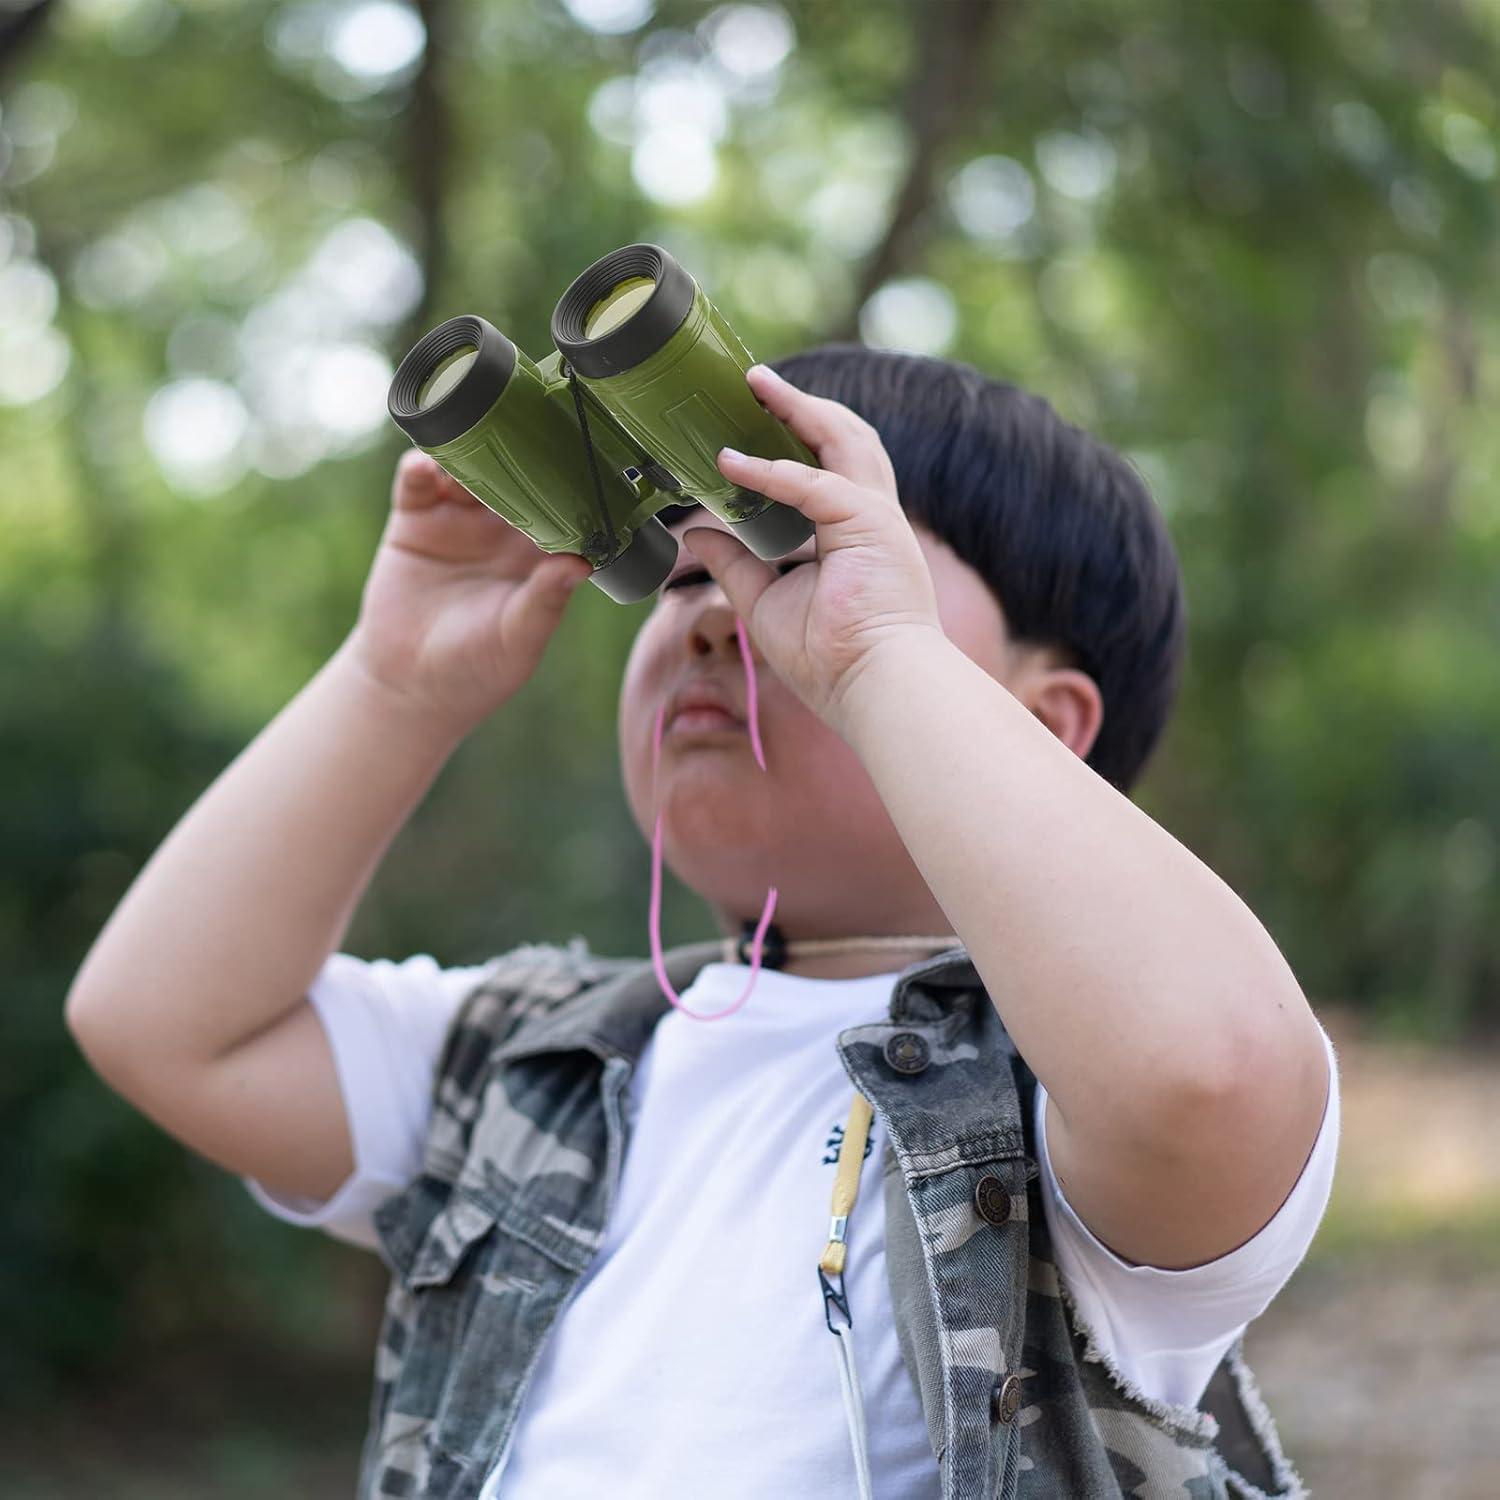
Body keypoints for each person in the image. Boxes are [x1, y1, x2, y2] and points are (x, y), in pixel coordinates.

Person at [65, 344, 1337, 1499]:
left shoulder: (1067, 1104)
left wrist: (872, 656)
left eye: (792, 556)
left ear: (1045, 727)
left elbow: (1209, 1075)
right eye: (677, 574)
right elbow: (167, 1026)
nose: (718, 611)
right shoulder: (535, 1064)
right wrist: (395, 682)